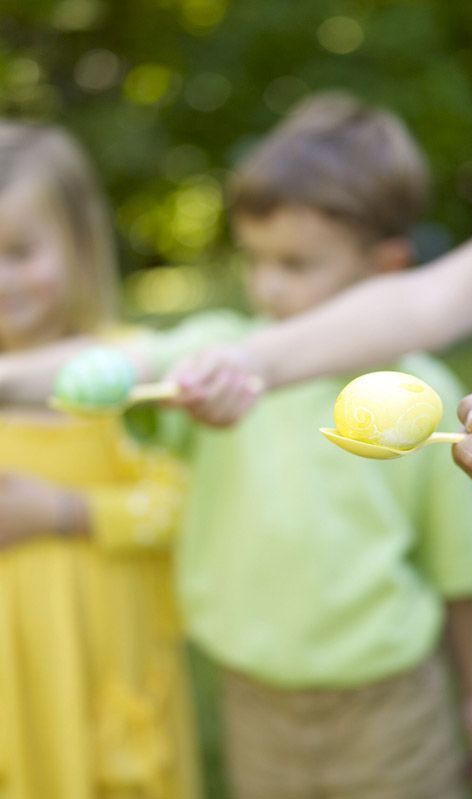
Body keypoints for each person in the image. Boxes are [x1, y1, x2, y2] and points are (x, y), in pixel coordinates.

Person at [87, 93, 472, 799]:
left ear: (385, 265)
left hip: (389, 700)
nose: (268, 286)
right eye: (255, 258)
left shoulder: (422, 391)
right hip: (254, 693)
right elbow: (146, 389)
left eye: (297, 263)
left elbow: (458, 566)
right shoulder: (224, 356)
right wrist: (142, 381)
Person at [0, 122, 199, 799]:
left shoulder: (128, 369)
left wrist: (64, 512)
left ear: (80, 244)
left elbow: (184, 501)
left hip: (110, 657)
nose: (2, 279)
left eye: (20, 251)